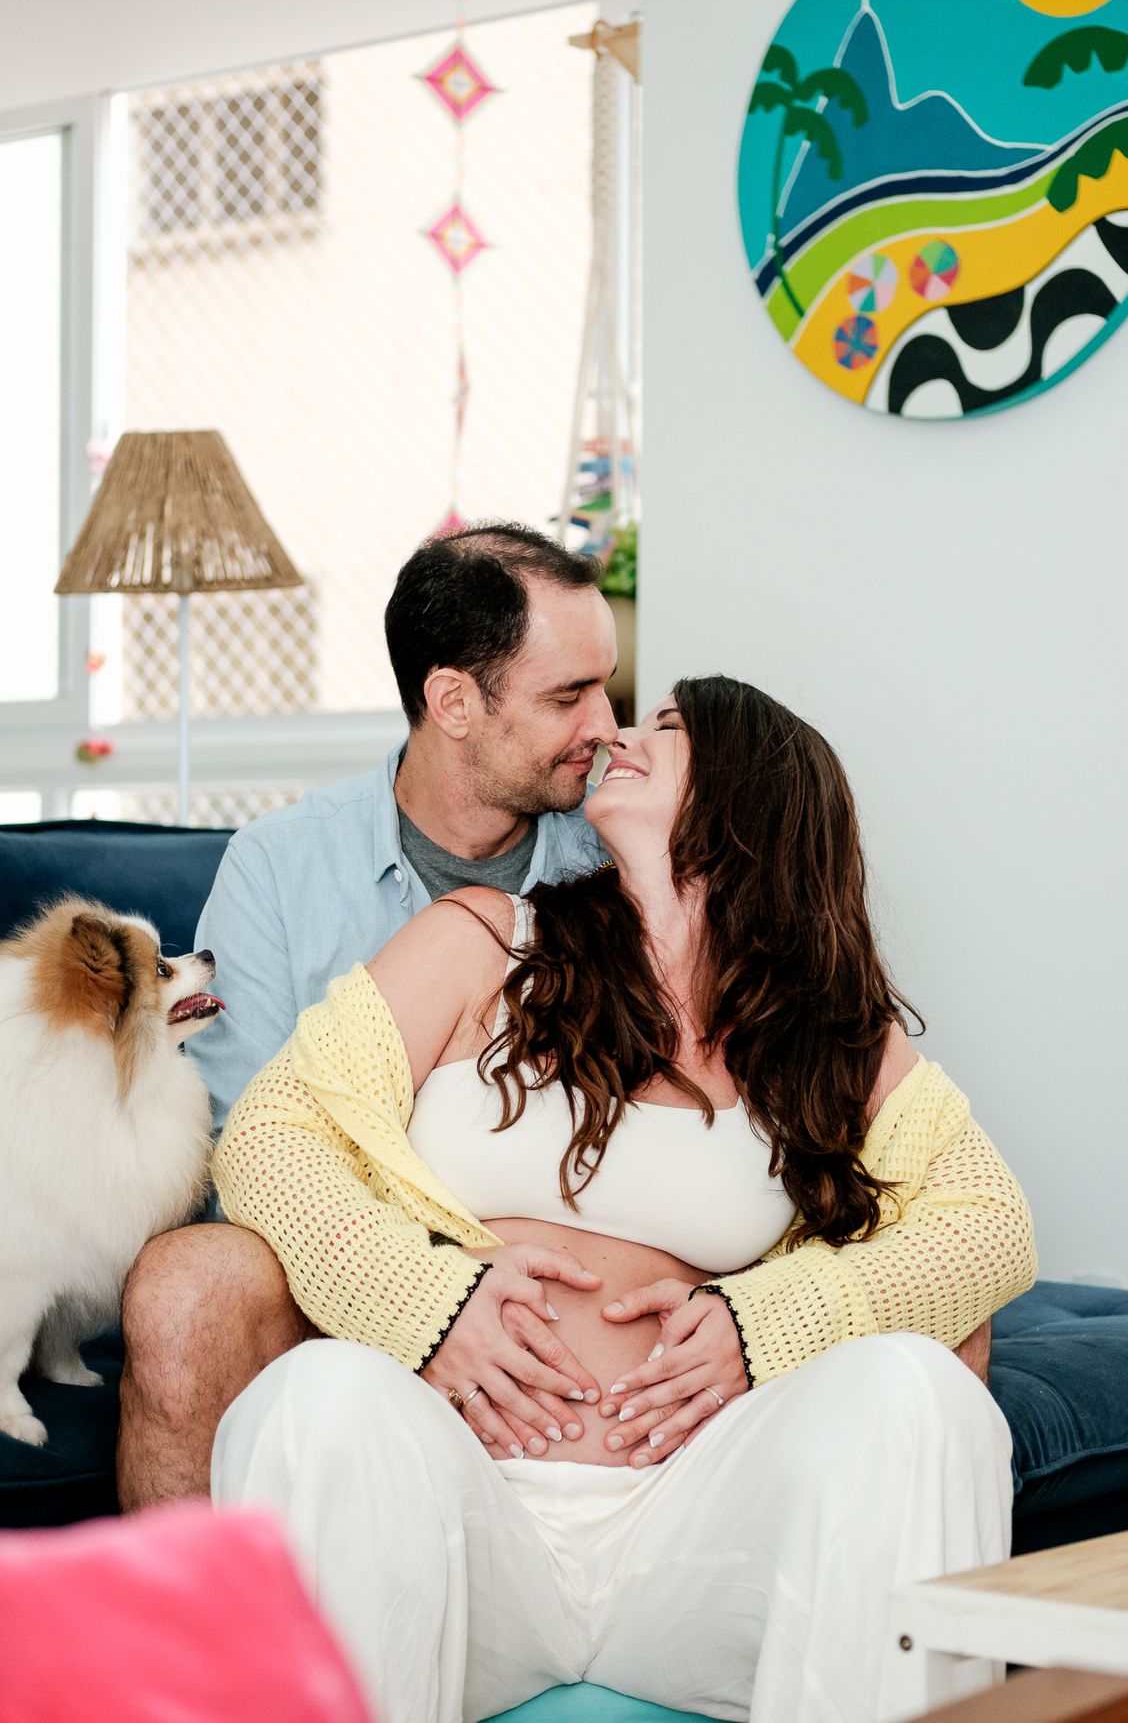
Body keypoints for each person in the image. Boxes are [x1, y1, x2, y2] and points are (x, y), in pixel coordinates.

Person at [210, 676, 1037, 1723]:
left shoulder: (824, 1034)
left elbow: (990, 1226)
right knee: (315, 1396)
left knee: (918, 1393)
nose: (621, 734)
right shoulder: (486, 941)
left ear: (750, 794)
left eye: (670, 727)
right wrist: (427, 1303)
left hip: (690, 1536)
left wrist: (761, 1326)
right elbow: (270, 1134)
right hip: (465, 1519)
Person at [117, 524, 621, 1510]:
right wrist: (422, 1289)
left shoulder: (621, 853)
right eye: (569, 697)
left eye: (607, 688)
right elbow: (240, 1146)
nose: (605, 726)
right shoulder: (281, 864)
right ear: (453, 702)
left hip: (558, 1266)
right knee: (188, 1279)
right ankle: (186, 1609)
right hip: (337, 1255)